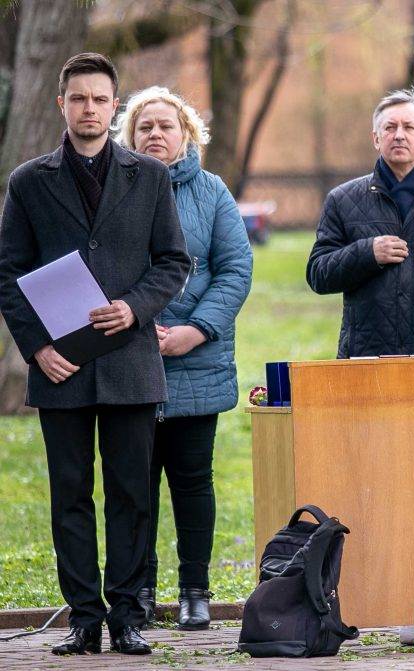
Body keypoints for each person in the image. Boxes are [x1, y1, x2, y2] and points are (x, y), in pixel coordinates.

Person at [0, 54, 190, 655]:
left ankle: (128, 615)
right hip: (63, 369)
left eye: (99, 99)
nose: (88, 108)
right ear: (62, 105)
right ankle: (83, 617)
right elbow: (8, 271)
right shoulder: (29, 180)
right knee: (70, 494)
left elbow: (173, 262)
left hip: (131, 359)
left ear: (115, 105)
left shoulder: (150, 177)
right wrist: (36, 348)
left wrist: (135, 307)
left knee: (133, 493)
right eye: (77, 98)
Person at [114, 87, 253, 630]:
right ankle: (140, 590)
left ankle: (195, 590)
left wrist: (196, 331)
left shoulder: (212, 192)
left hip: (198, 361)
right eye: (144, 126)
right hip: (129, 357)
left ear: (187, 134)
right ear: (130, 137)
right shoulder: (115, 190)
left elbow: (235, 268)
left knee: (193, 480)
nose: (155, 134)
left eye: (166, 126)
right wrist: (138, 328)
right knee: (136, 482)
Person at [306, 88, 414, 357]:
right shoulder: (342, 199)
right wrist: (367, 253)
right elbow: (317, 274)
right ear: (376, 138)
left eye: (409, 127)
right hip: (364, 358)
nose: (399, 135)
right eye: (390, 127)